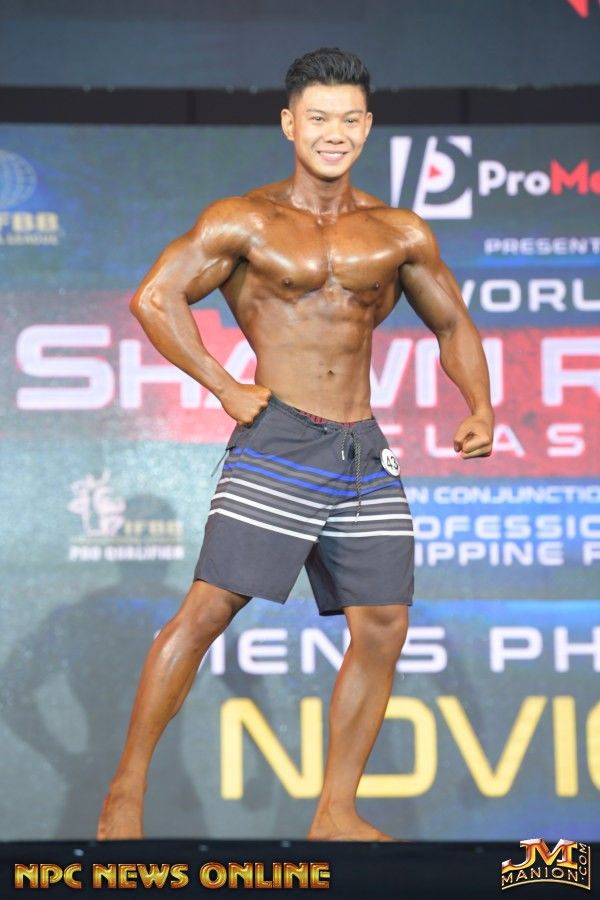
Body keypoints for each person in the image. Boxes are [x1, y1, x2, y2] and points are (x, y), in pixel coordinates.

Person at [97, 47, 493, 841]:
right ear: (290, 124)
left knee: (384, 625)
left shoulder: (397, 230)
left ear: (367, 127)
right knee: (207, 613)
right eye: (318, 118)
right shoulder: (244, 220)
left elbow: (452, 321)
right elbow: (156, 297)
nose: (333, 133)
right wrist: (223, 384)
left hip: (362, 449)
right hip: (279, 438)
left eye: (348, 119)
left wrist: (480, 404)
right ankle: (125, 792)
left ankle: (336, 812)